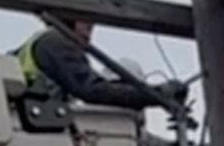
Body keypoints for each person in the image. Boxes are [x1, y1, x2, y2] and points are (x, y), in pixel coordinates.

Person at [14, 17, 185, 109]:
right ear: (69, 18)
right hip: (34, 124)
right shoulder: (56, 42)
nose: (89, 38)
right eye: (87, 28)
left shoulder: (42, 43)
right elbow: (93, 90)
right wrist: (158, 93)